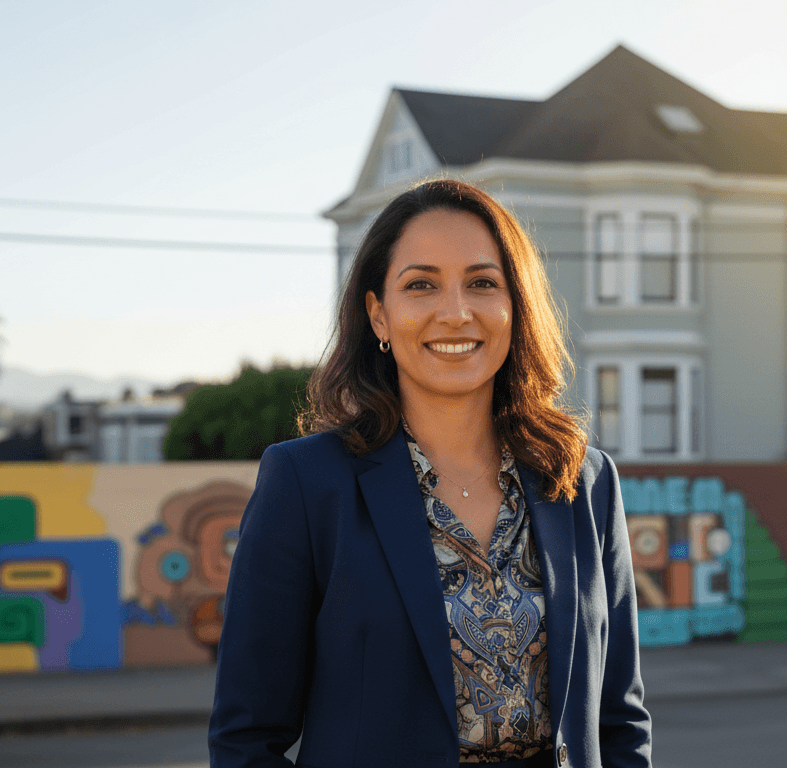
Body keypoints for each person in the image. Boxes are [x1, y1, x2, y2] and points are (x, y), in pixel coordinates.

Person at [209, 179, 652, 768]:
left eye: (482, 283)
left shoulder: (583, 481)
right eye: (421, 285)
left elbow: (618, 722)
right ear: (378, 316)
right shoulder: (307, 484)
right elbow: (247, 740)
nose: (455, 312)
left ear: (515, 307)